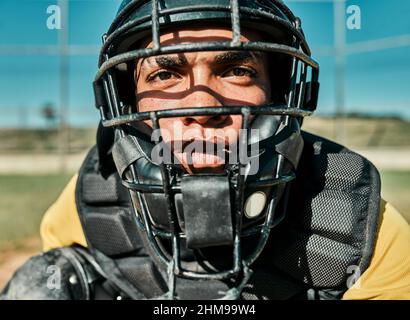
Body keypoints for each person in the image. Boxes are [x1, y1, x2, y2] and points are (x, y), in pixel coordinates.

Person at [2, 0, 409, 300]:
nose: (206, 107)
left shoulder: (359, 229)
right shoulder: (90, 203)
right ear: (130, 105)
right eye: (164, 73)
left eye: (236, 70)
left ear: (276, 95)